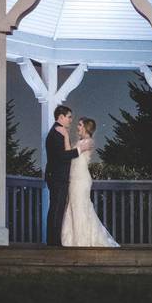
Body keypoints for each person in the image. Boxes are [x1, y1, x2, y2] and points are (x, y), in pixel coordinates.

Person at [61, 117, 120, 247]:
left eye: (80, 125)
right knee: (73, 206)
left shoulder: (88, 142)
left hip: (81, 179)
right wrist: (66, 136)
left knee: (81, 207)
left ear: (86, 127)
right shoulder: (80, 141)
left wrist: (65, 134)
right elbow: (68, 153)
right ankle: (73, 239)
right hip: (74, 178)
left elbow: (72, 153)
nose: (78, 127)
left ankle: (82, 240)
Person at [44, 105, 91, 246]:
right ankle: (54, 243)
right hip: (58, 177)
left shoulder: (59, 131)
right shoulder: (56, 132)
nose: (71, 120)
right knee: (56, 209)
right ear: (61, 117)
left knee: (56, 208)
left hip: (58, 176)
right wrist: (79, 150)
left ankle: (53, 241)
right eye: (69, 117)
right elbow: (62, 156)